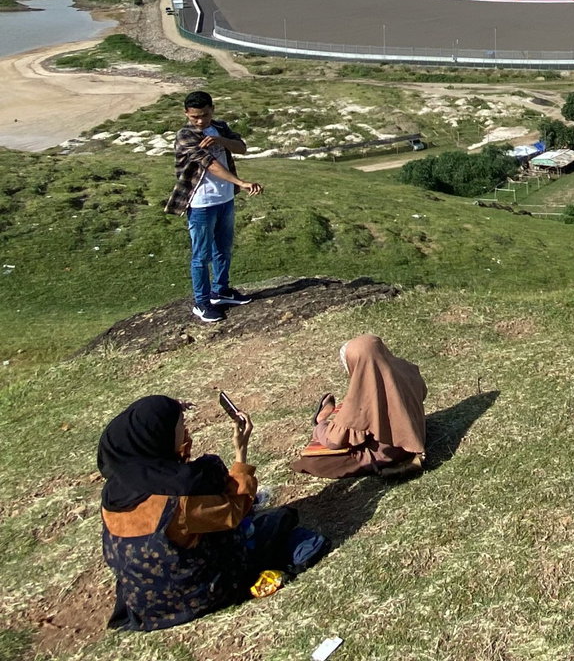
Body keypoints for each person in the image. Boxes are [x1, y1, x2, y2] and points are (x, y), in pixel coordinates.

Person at [97, 395, 302, 631]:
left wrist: (170, 410)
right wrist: (241, 453)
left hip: (145, 602)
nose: (185, 429)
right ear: (161, 438)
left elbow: (172, 466)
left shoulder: (115, 490)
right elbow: (236, 510)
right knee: (278, 521)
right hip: (192, 595)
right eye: (180, 427)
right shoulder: (179, 501)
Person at [164, 91, 262, 323]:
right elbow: (210, 164)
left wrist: (219, 140)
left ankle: (221, 291)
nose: (200, 121)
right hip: (201, 203)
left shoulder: (219, 126)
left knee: (223, 248)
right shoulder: (185, 136)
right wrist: (242, 183)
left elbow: (241, 147)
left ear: (213, 110)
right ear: (186, 114)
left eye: (205, 115)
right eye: (195, 117)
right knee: (201, 255)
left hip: (224, 199)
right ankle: (202, 302)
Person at [292, 335, 428, 479]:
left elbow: (334, 441)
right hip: (415, 434)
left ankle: (321, 419)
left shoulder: (365, 396)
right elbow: (422, 393)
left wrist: (321, 427)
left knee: (313, 462)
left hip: (389, 451)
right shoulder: (407, 370)